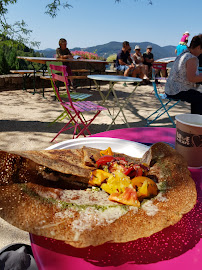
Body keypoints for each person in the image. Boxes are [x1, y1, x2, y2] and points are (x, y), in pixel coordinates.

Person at [165, 34, 202, 115]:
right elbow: (192, 78)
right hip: (177, 91)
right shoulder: (192, 58)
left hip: (169, 88)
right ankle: (196, 123)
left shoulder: (183, 53)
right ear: (199, 47)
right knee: (199, 98)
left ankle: (195, 120)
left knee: (197, 95)